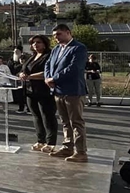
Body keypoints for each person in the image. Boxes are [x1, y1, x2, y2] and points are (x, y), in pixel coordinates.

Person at [45, 24, 89, 163]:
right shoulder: (56, 49)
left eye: (58, 34)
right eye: (54, 36)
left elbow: (74, 68)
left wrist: (54, 78)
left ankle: (81, 151)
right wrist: (47, 78)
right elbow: (48, 64)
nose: (56, 38)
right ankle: (67, 147)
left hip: (73, 91)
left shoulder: (78, 48)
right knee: (65, 122)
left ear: (68, 33)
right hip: (58, 90)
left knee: (76, 121)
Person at [20, 36, 58, 153]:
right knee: (36, 116)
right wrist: (22, 74)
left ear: (45, 44)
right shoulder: (32, 57)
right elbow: (25, 70)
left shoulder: (50, 56)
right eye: (33, 43)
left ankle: (51, 142)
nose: (36, 45)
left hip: (44, 91)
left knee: (47, 116)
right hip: (31, 91)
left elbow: (49, 73)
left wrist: (30, 76)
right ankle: (40, 140)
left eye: (38, 42)